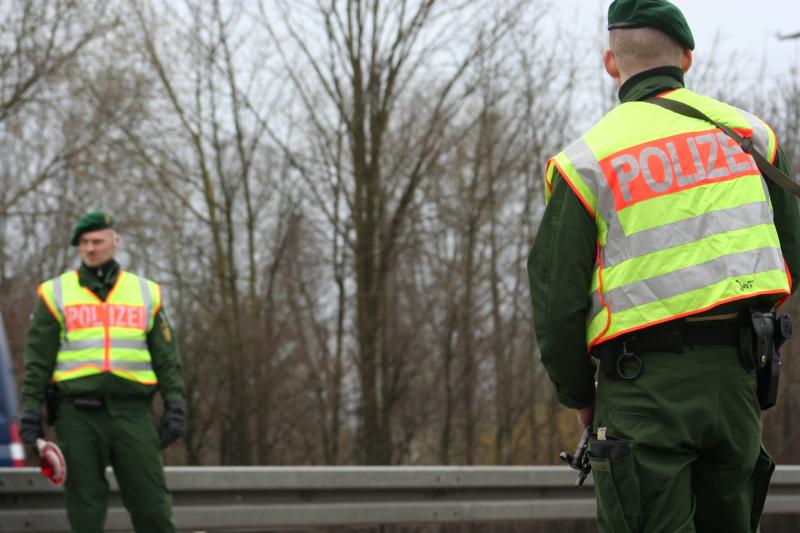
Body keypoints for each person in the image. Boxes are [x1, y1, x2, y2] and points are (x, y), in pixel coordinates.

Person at [528, 1, 800, 531]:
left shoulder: (586, 162)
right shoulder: (752, 137)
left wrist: (580, 396)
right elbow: (789, 253)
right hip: (738, 384)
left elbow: (556, 300)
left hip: (641, 390)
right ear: (687, 59)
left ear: (611, 62)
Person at [18, 211, 186, 533]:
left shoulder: (145, 292)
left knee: (152, 504)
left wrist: (175, 403)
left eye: (97, 241)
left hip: (132, 413)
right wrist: (29, 410)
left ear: (115, 241)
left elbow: (167, 357)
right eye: (84, 243)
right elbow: (38, 360)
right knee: (85, 508)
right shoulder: (56, 293)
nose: (91, 249)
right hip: (77, 415)